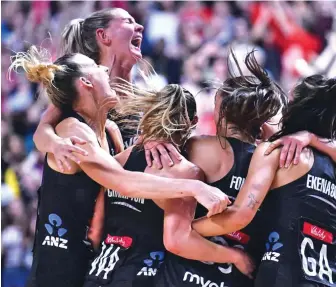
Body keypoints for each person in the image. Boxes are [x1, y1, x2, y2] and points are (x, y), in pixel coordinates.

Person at [9, 46, 229, 287]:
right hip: (59, 266)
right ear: (86, 83)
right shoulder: (73, 128)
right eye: (96, 67)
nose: (104, 68)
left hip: (94, 264)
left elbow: (124, 173)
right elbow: (122, 181)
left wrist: (154, 136)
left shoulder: (110, 130)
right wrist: (194, 187)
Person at [82, 81, 253, 287]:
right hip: (142, 276)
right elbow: (177, 241)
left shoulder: (117, 162)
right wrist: (235, 256)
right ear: (193, 122)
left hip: (99, 272)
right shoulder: (185, 171)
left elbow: (94, 231)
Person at [154, 51, 287, 287]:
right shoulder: (272, 161)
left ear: (222, 112)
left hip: (183, 276)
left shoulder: (199, 147)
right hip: (237, 278)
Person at [192, 75, 336, 287]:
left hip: (282, 274)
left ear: (298, 106)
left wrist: (188, 230)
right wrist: (313, 138)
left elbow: (240, 216)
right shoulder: (331, 164)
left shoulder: (277, 152)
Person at [33, 8, 179, 171]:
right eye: (128, 21)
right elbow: (41, 132)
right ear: (103, 35)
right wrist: (56, 144)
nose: (140, 27)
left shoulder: (148, 100)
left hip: (130, 189)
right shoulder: (84, 90)